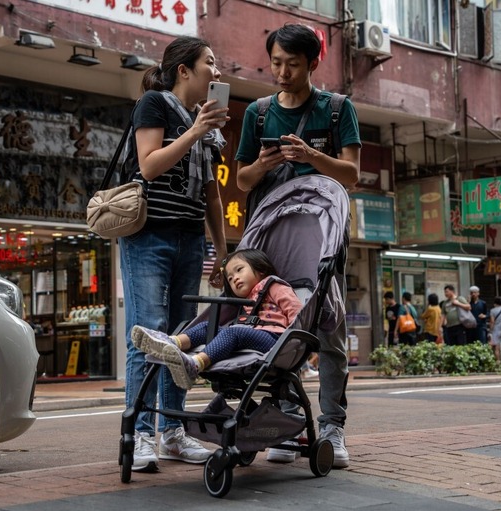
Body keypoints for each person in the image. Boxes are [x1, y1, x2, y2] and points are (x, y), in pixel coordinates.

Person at [235, 23, 361, 469]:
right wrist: (261, 164)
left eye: (292, 64)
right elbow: (241, 180)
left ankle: (332, 427)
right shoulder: (259, 113)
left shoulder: (336, 109)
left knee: (328, 333)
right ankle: (286, 421)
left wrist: (311, 157)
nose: (282, 72)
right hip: (271, 244)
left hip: (324, 243)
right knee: (274, 330)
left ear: (312, 63)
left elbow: (350, 174)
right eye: (275, 63)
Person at [119, 36, 230, 473]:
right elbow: (148, 165)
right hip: (148, 235)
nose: (216, 73)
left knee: (181, 337)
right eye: (210, 63)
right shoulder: (154, 104)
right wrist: (196, 130)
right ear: (184, 70)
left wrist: (222, 253)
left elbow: (213, 196)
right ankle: (140, 433)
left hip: (190, 238)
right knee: (149, 332)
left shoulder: (211, 125)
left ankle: (172, 433)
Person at [131, 248, 303, 389]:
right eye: (229, 278)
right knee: (208, 327)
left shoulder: (275, 286)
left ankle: (195, 365)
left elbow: (297, 314)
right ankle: (171, 342)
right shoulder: (244, 301)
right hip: (251, 337)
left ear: (261, 269)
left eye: (239, 270)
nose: (234, 278)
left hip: (276, 341)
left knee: (233, 332)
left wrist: (295, 343)